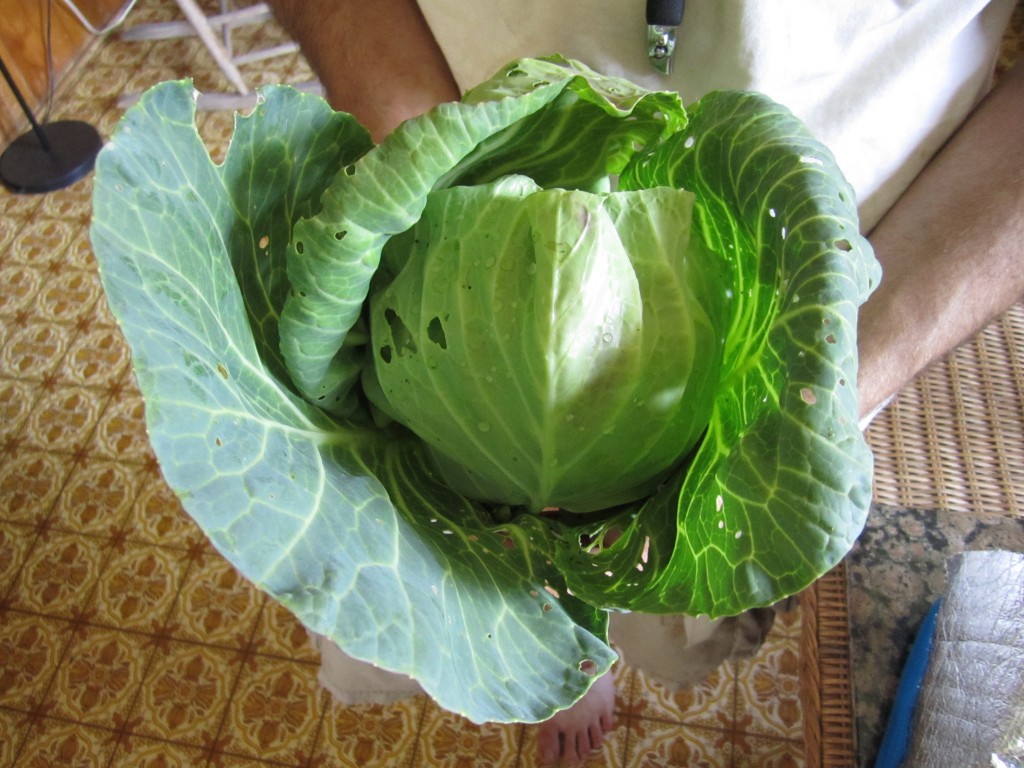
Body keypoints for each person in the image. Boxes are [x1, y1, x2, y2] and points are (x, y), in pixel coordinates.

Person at [267, 1, 1024, 764]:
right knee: (433, 585)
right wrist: (414, 146)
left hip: (806, 277)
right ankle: (565, 660)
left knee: (667, 583)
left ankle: (586, 656)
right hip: (439, 176)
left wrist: (835, 373)